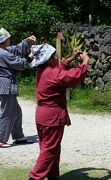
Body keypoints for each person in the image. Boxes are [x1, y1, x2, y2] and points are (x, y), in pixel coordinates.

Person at [28, 44, 89, 180]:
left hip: (43, 116)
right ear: (48, 60)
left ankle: (53, 175)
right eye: (55, 55)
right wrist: (85, 62)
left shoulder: (44, 71)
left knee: (50, 148)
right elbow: (72, 76)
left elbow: (59, 70)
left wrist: (71, 59)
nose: (57, 57)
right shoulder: (52, 73)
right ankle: (34, 177)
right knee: (49, 150)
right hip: (52, 117)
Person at [0, 27, 36, 148]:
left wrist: (26, 41)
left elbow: (16, 49)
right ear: (4, 40)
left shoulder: (3, 50)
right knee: (7, 113)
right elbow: (20, 64)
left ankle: (18, 136)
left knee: (16, 111)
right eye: (8, 38)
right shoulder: (3, 53)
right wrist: (30, 56)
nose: (10, 40)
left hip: (7, 85)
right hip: (6, 86)